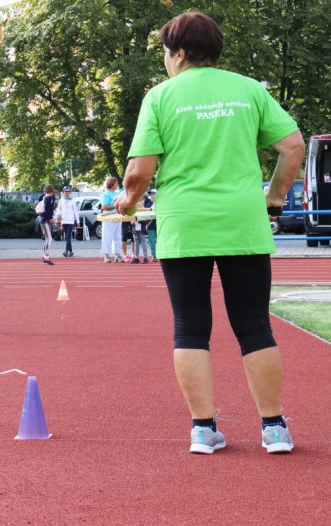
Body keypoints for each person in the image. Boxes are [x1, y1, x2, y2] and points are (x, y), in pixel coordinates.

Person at [115, 11, 305, 454]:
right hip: (242, 219)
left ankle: (203, 429)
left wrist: (129, 200)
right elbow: (293, 146)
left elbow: (141, 170)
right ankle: (274, 428)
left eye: (166, 51)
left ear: (179, 53)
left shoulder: (161, 97)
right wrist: (274, 197)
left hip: (185, 223)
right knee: (255, 325)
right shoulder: (249, 90)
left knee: (190, 327)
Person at [100, 177, 123, 263]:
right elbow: (104, 206)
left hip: (118, 217)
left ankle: (117, 254)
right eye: (116, 183)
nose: (117, 185)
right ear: (112, 184)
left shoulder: (117, 193)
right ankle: (106, 254)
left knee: (117, 237)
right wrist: (115, 206)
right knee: (107, 237)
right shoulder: (106, 194)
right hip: (109, 218)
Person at [55, 186, 79, 257]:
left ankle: (66, 251)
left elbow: (76, 211)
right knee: (67, 237)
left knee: (68, 236)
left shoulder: (73, 201)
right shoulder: (61, 201)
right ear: (63, 192)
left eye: (68, 192)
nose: (67, 193)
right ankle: (71, 251)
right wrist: (57, 220)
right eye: (65, 192)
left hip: (71, 221)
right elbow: (58, 210)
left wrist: (77, 221)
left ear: (70, 193)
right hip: (63, 220)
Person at [37, 184, 56, 265]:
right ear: (52, 190)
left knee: (47, 239)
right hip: (45, 220)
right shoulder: (49, 198)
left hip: (43, 220)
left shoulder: (45, 197)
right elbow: (48, 210)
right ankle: (46, 256)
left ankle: (45, 255)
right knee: (49, 239)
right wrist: (51, 218)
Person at [144, 189, 158, 260]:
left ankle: (160, 255)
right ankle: (154, 255)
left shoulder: (161, 203)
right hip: (151, 226)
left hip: (160, 225)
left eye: (154, 194)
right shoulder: (148, 204)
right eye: (151, 194)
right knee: (152, 242)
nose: (152, 195)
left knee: (160, 241)